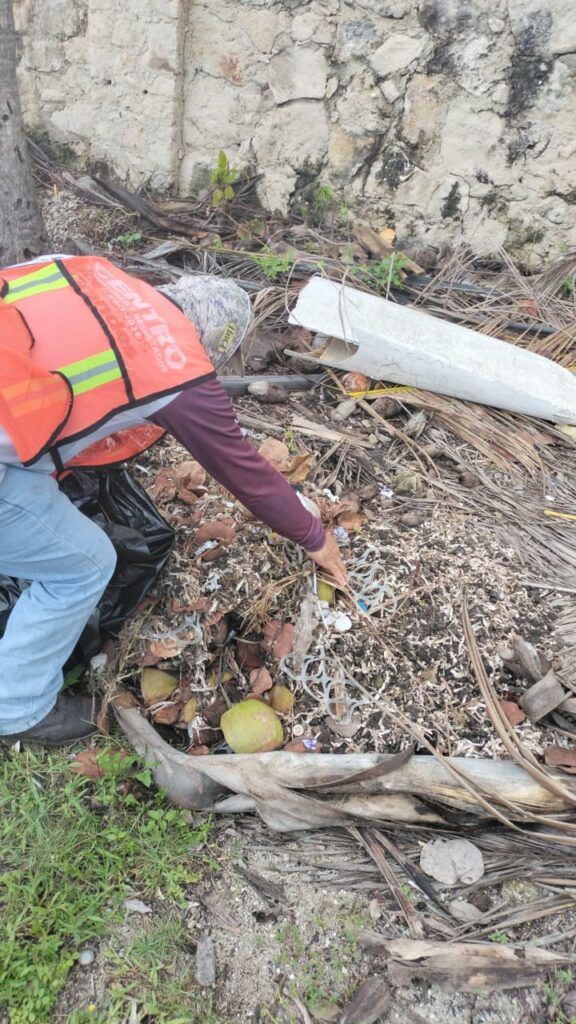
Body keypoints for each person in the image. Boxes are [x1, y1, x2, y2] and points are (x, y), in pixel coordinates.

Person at [0, 255, 347, 746]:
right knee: (84, 564)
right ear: (216, 344)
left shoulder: (89, 270)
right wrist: (316, 537)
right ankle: (18, 710)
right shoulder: (178, 375)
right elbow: (244, 472)